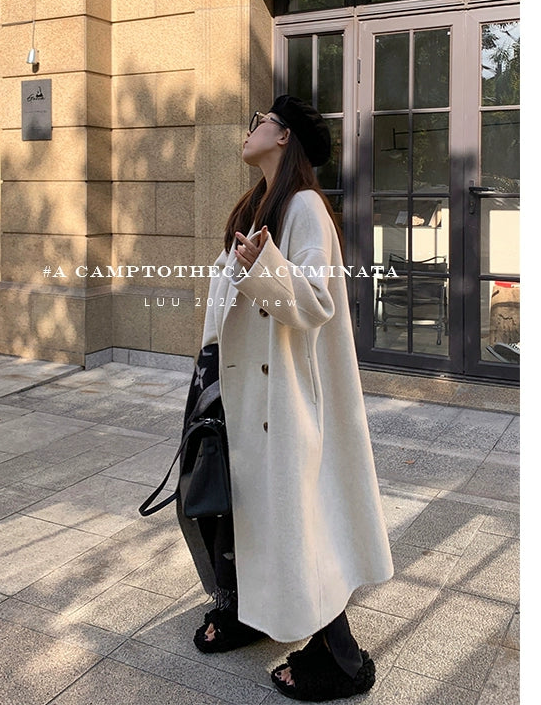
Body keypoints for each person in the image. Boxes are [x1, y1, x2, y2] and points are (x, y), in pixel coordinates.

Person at [176, 96, 394, 702]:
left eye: (260, 122)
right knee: (232, 503)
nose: (250, 129)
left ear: (283, 137)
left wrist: (262, 266)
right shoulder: (257, 203)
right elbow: (227, 299)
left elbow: (317, 301)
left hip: (285, 396)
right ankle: (247, 609)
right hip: (236, 386)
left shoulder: (304, 208)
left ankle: (340, 659)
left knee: (298, 516)